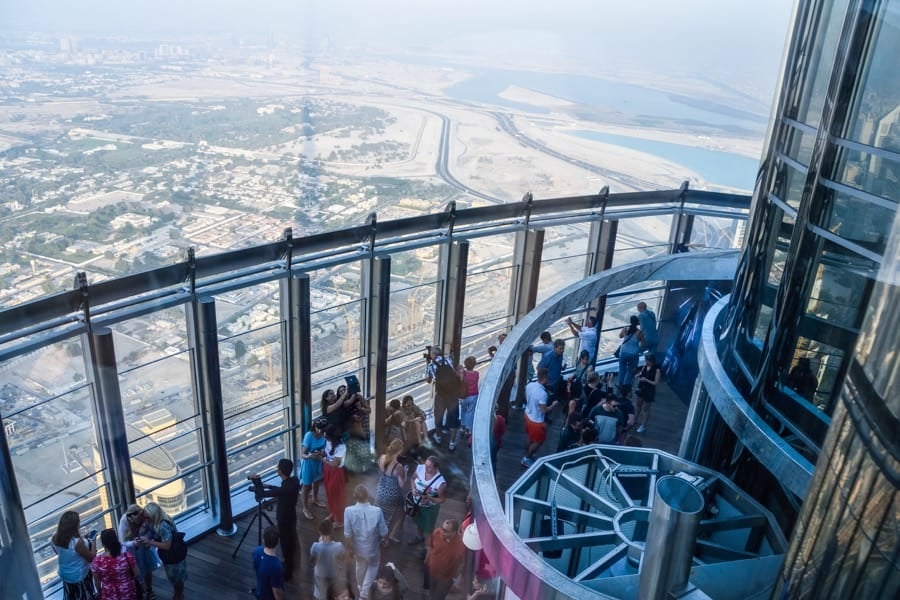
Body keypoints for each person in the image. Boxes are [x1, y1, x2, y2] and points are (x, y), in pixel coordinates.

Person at [251, 458, 301, 581]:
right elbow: (281, 490)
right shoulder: (294, 481)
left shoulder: (285, 488)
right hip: (291, 516)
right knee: (290, 541)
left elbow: (262, 494)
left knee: (285, 545)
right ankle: (290, 564)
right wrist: (269, 486)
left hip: (284, 519)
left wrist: (257, 482)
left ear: (281, 471)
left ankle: (287, 573)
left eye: (278, 468)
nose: (277, 469)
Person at [343, 485, 388, 600]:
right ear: (368, 496)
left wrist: (348, 549)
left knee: (360, 566)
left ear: (355, 497)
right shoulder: (377, 511)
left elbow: (347, 534)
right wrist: (385, 539)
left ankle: (361, 586)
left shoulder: (348, 511)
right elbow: (384, 532)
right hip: (372, 548)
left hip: (358, 548)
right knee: (373, 566)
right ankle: (363, 594)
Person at [141, 502, 187, 600]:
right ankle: (178, 594)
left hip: (173, 555)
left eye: (147, 518)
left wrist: (150, 542)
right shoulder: (158, 521)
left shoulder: (162, 526)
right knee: (175, 577)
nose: (146, 520)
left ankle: (179, 595)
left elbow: (167, 545)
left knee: (176, 577)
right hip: (172, 554)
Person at [52, 510, 96, 600]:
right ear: (74, 525)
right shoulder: (77, 542)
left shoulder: (54, 537)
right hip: (79, 576)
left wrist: (84, 540)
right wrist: (93, 542)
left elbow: (58, 552)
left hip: (65, 575)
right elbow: (91, 558)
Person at [117, 504, 157, 598]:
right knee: (134, 572)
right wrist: (133, 543)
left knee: (147, 568)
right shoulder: (124, 521)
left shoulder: (146, 516)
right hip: (131, 550)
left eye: (139, 521)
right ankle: (139, 591)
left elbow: (152, 530)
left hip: (144, 546)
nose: (137, 523)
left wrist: (147, 539)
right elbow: (122, 541)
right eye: (134, 522)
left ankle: (149, 590)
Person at [425, 346, 461, 450]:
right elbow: (454, 371)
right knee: (454, 419)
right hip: (453, 395)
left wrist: (427, 364)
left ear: (433, 354)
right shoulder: (449, 359)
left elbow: (428, 380)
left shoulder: (431, 365)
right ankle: (452, 443)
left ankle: (439, 437)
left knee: (438, 416)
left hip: (441, 396)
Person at [521, 368, 559, 467]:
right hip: (536, 421)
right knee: (538, 441)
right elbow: (544, 410)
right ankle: (527, 458)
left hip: (527, 415)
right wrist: (553, 405)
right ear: (545, 378)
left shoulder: (529, 385)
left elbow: (525, 396)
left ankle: (528, 452)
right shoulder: (543, 394)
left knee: (529, 436)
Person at [408, 456, 447, 546]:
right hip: (417, 504)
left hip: (430, 508)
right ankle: (420, 537)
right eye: (425, 465)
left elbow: (442, 499)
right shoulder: (420, 468)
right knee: (418, 523)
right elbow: (412, 478)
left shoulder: (441, 483)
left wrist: (429, 498)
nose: (425, 468)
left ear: (436, 468)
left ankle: (427, 549)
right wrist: (413, 489)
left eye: (429, 467)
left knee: (428, 530)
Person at [92, 528, 139, 600]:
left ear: (103, 544)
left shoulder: (97, 562)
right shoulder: (127, 556)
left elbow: (97, 582)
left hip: (108, 595)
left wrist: (99, 592)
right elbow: (137, 573)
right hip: (128, 593)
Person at [375, 438, 407, 545]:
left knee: (381, 515)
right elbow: (402, 485)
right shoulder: (398, 467)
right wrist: (405, 473)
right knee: (400, 513)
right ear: (400, 450)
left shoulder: (382, 458)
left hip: (380, 491)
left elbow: (379, 474)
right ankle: (388, 537)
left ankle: (381, 536)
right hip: (392, 494)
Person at [424, 519, 466, 600]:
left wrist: (456, 578)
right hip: (431, 571)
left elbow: (462, 563)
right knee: (431, 592)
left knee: (439, 597)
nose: (442, 532)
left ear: (454, 532)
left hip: (445, 578)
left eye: (446, 531)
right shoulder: (436, 533)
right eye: (442, 528)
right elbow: (430, 546)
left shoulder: (461, 545)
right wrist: (426, 559)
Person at [310, 519, 346, 600]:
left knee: (320, 593)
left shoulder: (315, 546)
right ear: (332, 531)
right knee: (332, 592)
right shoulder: (339, 546)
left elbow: (312, 559)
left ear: (320, 532)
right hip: (333, 573)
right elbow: (342, 557)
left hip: (320, 573)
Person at [300, 417, 328, 520]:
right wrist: (309, 456)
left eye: (323, 429)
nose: (321, 431)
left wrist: (322, 453)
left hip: (318, 462)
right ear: (315, 427)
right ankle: (305, 508)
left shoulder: (323, 434)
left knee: (316, 482)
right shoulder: (309, 435)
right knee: (306, 486)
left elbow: (325, 448)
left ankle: (315, 499)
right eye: (319, 428)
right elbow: (302, 454)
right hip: (309, 463)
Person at [322, 424, 348, 528]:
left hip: (336, 472)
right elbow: (327, 453)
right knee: (329, 492)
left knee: (336, 495)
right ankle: (333, 512)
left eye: (326, 435)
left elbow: (335, 464)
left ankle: (339, 520)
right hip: (327, 469)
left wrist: (322, 459)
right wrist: (322, 453)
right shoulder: (328, 441)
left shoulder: (341, 447)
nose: (325, 436)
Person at [252, 526, 285, 600]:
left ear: (264, 540)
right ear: (278, 542)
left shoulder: (256, 551)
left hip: (260, 590)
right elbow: (276, 591)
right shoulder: (276, 566)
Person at [634, 353, 661, 433]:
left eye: (647, 361)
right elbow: (641, 374)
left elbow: (656, 382)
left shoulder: (657, 369)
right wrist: (638, 375)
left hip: (649, 390)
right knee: (638, 405)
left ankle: (643, 425)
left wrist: (646, 380)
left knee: (645, 409)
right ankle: (635, 420)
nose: (646, 362)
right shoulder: (644, 367)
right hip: (641, 388)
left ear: (651, 361)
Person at [617, 316, 642, 396]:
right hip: (633, 354)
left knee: (622, 370)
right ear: (637, 322)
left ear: (630, 321)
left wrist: (624, 332)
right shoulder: (639, 332)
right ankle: (625, 387)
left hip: (623, 352)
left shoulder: (625, 329)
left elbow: (620, 336)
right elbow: (643, 343)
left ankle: (620, 385)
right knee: (630, 371)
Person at [458, 355, 479, 442]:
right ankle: (468, 429)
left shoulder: (464, 374)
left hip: (464, 396)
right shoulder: (476, 374)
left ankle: (462, 426)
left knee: (463, 410)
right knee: (470, 412)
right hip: (473, 395)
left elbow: (460, 381)